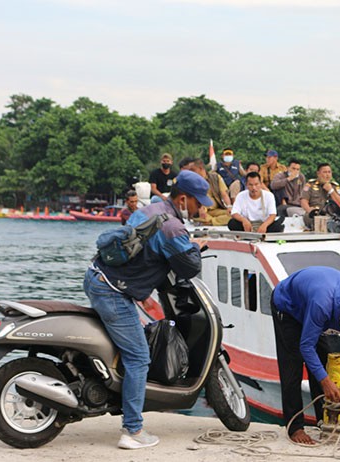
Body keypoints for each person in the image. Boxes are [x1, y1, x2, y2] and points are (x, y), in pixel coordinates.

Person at [83, 170, 210, 449]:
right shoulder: (173, 228)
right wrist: (194, 246)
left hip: (99, 277)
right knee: (139, 357)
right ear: (184, 199)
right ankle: (133, 430)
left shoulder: (150, 209)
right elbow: (190, 267)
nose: (200, 209)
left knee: (130, 346)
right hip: (113, 291)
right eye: (198, 202)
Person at [271, 266, 340, 445]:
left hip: (313, 306)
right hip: (289, 307)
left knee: (322, 363)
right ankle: (295, 427)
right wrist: (325, 382)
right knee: (292, 367)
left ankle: (325, 420)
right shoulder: (322, 305)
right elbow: (306, 346)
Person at [180, 157, 232, 225]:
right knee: (199, 216)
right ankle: (214, 221)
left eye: (192, 170)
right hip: (200, 211)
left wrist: (229, 206)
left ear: (200, 168)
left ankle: (210, 222)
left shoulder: (215, 177)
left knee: (233, 215)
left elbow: (224, 194)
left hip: (216, 209)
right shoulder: (190, 181)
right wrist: (199, 208)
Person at [300, 163, 340, 230]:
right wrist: (309, 210)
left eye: (329, 172)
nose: (327, 175)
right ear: (318, 173)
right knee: (309, 217)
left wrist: (331, 190)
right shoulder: (310, 185)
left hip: (331, 214)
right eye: (325, 172)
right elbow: (303, 201)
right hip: (315, 214)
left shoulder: (334, 186)